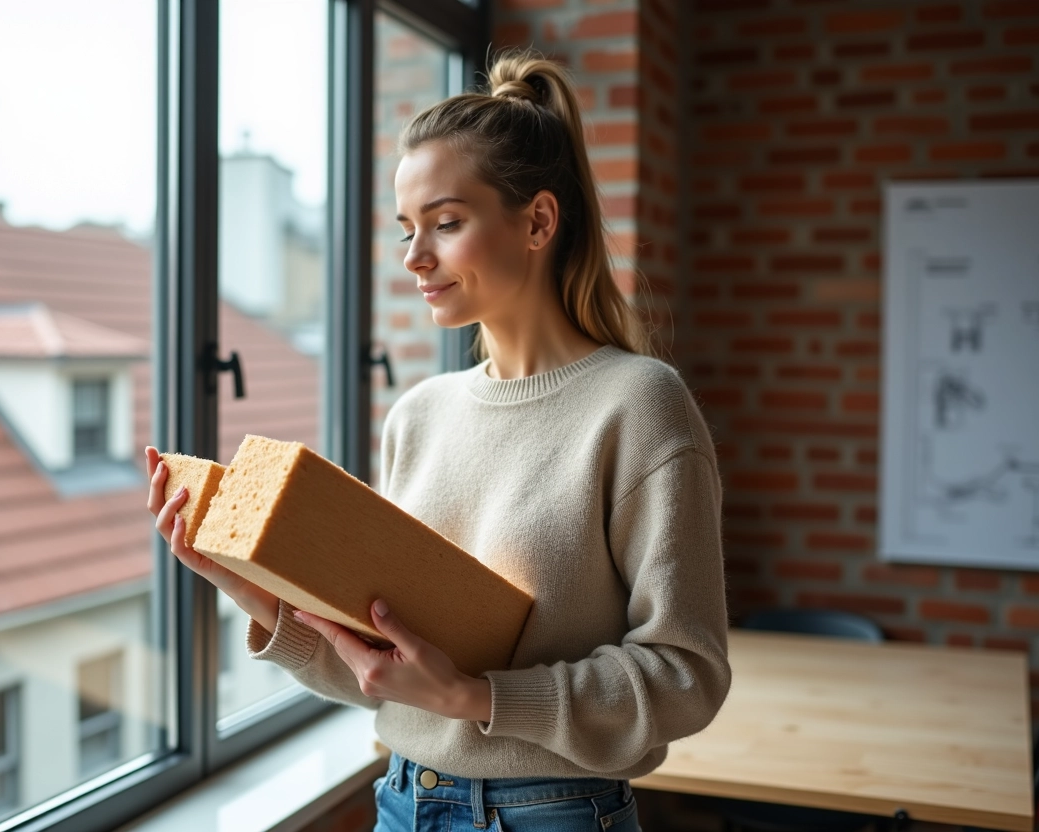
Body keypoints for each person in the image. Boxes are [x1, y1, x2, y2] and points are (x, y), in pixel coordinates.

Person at [145, 48, 730, 832]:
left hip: (552, 815)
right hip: (403, 800)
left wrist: (476, 699)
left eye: (447, 224)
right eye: (406, 229)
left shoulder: (638, 405)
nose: (415, 257)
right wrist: (255, 591)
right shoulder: (419, 414)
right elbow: (388, 674)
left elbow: (686, 675)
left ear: (538, 221)